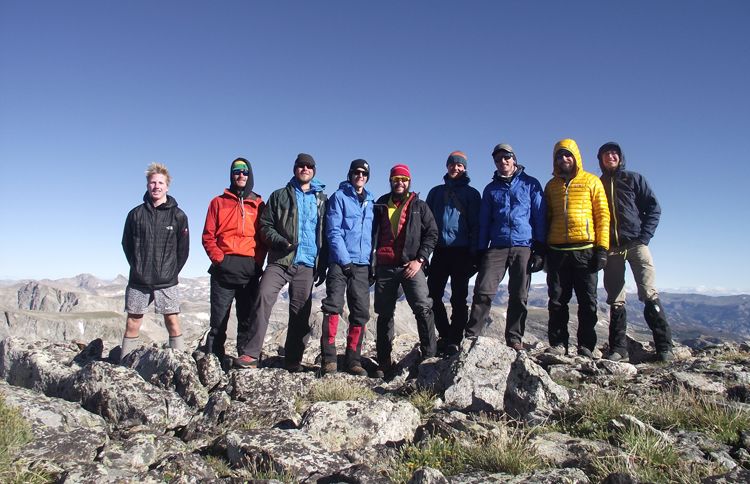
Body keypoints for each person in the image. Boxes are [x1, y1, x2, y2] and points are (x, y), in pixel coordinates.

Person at [237, 153, 327, 371]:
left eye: (309, 166)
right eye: (301, 166)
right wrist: (280, 242)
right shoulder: (279, 196)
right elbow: (265, 225)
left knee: (301, 312)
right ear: (295, 169)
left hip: (306, 263)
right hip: (280, 259)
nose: (305, 169)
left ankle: (293, 360)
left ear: (314, 170)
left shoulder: (322, 199)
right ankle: (250, 354)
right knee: (263, 297)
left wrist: (322, 263)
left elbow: (325, 233)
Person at [465, 144, 547, 351]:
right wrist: (481, 250)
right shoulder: (491, 189)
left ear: (514, 159)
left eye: (506, 157)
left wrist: (540, 249)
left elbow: (539, 216)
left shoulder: (531, 184)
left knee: (519, 295)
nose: (503, 162)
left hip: (524, 246)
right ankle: (472, 335)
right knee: (483, 291)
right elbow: (484, 222)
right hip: (497, 245)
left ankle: (514, 338)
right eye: (498, 159)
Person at [598, 142, 673, 362]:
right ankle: (619, 349)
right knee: (615, 299)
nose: (611, 156)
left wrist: (644, 237)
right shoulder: (597, 183)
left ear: (620, 157)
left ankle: (664, 347)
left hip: (636, 244)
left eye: (614, 153)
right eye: (606, 154)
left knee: (649, 292)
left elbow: (653, 208)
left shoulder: (633, 179)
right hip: (611, 248)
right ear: (600, 159)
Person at [544, 139, 610, 357]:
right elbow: (546, 218)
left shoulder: (592, 181)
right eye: (559, 156)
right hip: (557, 251)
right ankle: (558, 344)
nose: (564, 159)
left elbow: (602, 216)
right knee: (557, 301)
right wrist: (542, 249)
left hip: (586, 249)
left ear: (575, 157)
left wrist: (602, 248)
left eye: (567, 155)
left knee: (588, 301)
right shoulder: (551, 186)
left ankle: (586, 346)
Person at [373, 164, 439, 377]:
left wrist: (420, 259)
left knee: (423, 308)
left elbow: (432, 233)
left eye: (404, 179)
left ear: (409, 182)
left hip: (411, 265)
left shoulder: (419, 205)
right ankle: (384, 362)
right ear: (390, 181)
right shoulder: (380, 204)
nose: (400, 182)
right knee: (384, 315)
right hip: (385, 266)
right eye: (396, 179)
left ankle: (429, 357)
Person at [201, 157, 266, 367]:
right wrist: (219, 259)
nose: (241, 175)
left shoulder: (258, 204)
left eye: (245, 172)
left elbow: (263, 238)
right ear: (231, 175)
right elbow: (208, 236)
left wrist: (256, 263)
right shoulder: (218, 202)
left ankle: (244, 361)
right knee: (218, 321)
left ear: (250, 175)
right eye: (237, 171)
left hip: (248, 271)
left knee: (246, 320)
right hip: (223, 271)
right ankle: (213, 362)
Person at [121, 162, 189, 361]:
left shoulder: (178, 216)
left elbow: (183, 250)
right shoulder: (135, 215)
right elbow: (126, 244)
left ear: (167, 186)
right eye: (153, 183)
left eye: (160, 183)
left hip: (167, 280)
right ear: (147, 185)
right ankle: (124, 364)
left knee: (172, 321)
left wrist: (171, 271)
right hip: (138, 280)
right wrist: (137, 266)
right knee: (133, 322)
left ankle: (179, 364)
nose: (156, 186)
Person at [320, 159, 375, 376]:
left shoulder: (371, 202)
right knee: (333, 306)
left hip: (362, 265)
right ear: (350, 174)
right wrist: (345, 261)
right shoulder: (339, 197)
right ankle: (329, 359)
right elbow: (333, 231)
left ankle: (353, 359)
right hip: (340, 263)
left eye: (364, 173)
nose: (360, 176)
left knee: (360, 312)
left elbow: (372, 234)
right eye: (356, 172)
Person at [424, 151, 481, 355]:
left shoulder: (472, 194)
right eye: (452, 164)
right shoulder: (436, 193)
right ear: (447, 166)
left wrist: (475, 255)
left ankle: (455, 339)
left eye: (460, 165)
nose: (455, 168)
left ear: (464, 168)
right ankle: (445, 334)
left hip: (462, 252)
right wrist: (424, 254)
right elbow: (426, 224)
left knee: (459, 298)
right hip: (439, 251)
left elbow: (476, 225)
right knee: (431, 296)